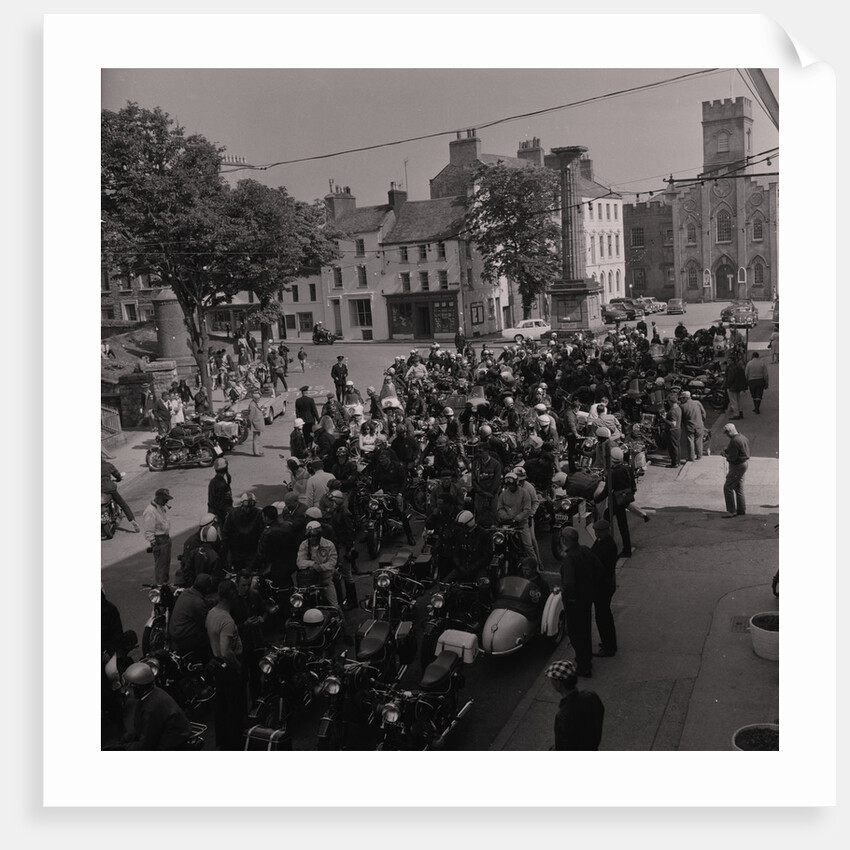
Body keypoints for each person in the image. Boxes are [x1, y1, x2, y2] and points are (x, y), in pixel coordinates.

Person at [205, 580, 246, 751]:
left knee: (221, 708)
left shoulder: (211, 613)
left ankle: (223, 742)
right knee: (233, 709)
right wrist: (238, 667)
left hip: (217, 665)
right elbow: (226, 651)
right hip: (228, 669)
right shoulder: (227, 620)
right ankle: (234, 744)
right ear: (231, 596)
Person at [116, 662, 194, 750]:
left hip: (171, 745)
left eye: (129, 686)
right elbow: (141, 727)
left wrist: (119, 749)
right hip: (166, 735)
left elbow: (146, 746)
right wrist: (127, 738)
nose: (126, 690)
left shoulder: (151, 708)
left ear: (138, 687)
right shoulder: (153, 692)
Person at [557, 526, 600, 678]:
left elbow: (569, 584)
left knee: (576, 634)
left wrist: (565, 594)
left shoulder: (570, 558)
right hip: (586, 599)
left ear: (564, 540)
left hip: (574, 602)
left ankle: (583, 666)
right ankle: (586, 659)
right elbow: (598, 567)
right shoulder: (585, 550)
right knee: (585, 630)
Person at [544, 660, 605, 751]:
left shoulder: (563, 716)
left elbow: (563, 747)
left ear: (559, 684)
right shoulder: (591, 696)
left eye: (552, 678)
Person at [168, 573, 214, 658]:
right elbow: (208, 623)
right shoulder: (198, 603)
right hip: (185, 638)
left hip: (175, 633)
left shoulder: (185, 593)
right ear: (207, 589)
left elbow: (204, 602)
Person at [590, 519, 618, 658]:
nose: (596, 534)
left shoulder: (608, 547)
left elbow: (600, 566)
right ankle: (608, 643)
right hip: (603, 584)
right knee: (603, 616)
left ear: (606, 531)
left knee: (603, 617)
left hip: (603, 586)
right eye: (596, 531)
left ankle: (608, 646)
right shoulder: (601, 541)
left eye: (599, 531)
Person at [296, 521, 339, 607]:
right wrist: (312, 564)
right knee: (301, 605)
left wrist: (321, 567)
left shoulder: (329, 545)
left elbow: (332, 562)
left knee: (334, 605)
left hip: (325, 579)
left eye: (314, 536)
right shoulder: (304, 545)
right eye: (310, 536)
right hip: (309, 581)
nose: (312, 538)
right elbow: (299, 562)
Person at [495, 472, 536, 561]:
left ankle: (535, 565)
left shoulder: (524, 493)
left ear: (516, 483)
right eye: (508, 485)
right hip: (507, 524)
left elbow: (527, 509)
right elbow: (500, 508)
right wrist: (505, 516)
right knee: (499, 542)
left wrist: (517, 518)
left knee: (528, 546)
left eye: (512, 484)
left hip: (521, 524)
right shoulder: (503, 494)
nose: (510, 487)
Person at [221, 492, 265, 570]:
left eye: (250, 508)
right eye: (246, 507)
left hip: (251, 551)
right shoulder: (233, 514)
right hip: (236, 551)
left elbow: (263, 533)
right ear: (242, 504)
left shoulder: (259, 514)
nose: (248, 510)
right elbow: (225, 534)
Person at [142, 488, 174, 584]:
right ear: (158, 498)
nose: (166, 502)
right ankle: (160, 586)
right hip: (159, 540)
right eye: (165, 500)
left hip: (166, 538)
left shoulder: (161, 507)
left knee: (166, 563)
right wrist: (153, 543)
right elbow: (149, 530)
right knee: (161, 565)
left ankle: (165, 583)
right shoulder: (150, 511)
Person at [101, 456, 140, 532]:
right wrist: (119, 478)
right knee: (123, 504)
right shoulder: (108, 465)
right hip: (110, 488)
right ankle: (132, 520)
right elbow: (117, 474)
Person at [721, 422, 750, 517]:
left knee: (728, 487)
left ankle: (731, 511)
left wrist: (725, 455)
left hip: (737, 466)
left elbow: (732, 458)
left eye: (726, 433)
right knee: (739, 487)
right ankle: (741, 509)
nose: (726, 435)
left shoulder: (734, 441)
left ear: (729, 432)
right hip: (744, 463)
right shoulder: (743, 437)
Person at [679, 390, 706, 462]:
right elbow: (704, 414)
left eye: (682, 398)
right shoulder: (697, 403)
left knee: (690, 441)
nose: (681, 400)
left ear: (685, 398)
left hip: (690, 426)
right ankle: (699, 455)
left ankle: (691, 457)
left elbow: (681, 418)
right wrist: (701, 421)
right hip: (699, 425)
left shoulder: (682, 406)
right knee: (699, 440)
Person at [207, 457, 233, 526]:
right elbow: (224, 504)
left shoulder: (213, 481)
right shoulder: (223, 485)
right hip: (221, 515)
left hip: (212, 512)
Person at [665, 390, 683, 468]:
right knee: (677, 446)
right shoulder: (678, 408)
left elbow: (673, 423)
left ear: (670, 401)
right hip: (678, 429)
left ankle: (674, 463)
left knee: (673, 447)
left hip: (673, 431)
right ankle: (677, 462)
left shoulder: (672, 411)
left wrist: (665, 419)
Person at [246, 389, 265, 457]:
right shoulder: (252, 405)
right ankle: (256, 452)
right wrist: (250, 423)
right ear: (255, 398)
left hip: (257, 423)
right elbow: (251, 416)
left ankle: (257, 451)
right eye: (258, 398)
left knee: (257, 439)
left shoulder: (254, 404)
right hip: (256, 424)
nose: (259, 400)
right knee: (256, 439)